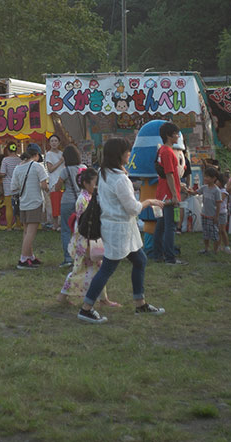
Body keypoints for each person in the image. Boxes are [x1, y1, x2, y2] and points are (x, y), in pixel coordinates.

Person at [77, 138, 166, 324]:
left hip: (117, 226)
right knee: (108, 267)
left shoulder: (105, 173)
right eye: (127, 151)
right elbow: (133, 208)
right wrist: (149, 201)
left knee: (140, 260)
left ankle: (140, 303)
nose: (129, 154)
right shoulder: (119, 178)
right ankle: (86, 308)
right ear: (119, 154)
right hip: (119, 228)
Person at [58, 167, 117, 307]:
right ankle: (64, 296)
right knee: (83, 270)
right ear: (86, 183)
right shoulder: (84, 200)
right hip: (86, 240)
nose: (97, 186)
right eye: (95, 183)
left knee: (91, 269)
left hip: (87, 240)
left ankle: (101, 298)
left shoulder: (87, 197)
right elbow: (86, 223)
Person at [151, 122, 186, 265]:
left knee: (161, 226)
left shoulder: (162, 151)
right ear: (168, 135)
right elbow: (169, 174)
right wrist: (175, 195)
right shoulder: (167, 151)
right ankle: (170, 258)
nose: (178, 135)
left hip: (162, 193)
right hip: (168, 195)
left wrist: (180, 186)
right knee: (170, 227)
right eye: (176, 133)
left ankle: (158, 254)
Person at [14, 144, 49, 269]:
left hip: (23, 202)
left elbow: (14, 187)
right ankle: (23, 259)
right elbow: (44, 185)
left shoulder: (18, 168)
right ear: (36, 155)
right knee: (31, 232)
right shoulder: (37, 167)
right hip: (35, 202)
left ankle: (30, 256)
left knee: (26, 231)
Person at [56, 145, 85, 266]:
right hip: (82, 201)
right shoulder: (83, 168)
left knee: (66, 230)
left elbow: (57, 187)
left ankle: (68, 258)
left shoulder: (65, 171)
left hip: (67, 201)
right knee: (82, 230)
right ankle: (83, 256)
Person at [198, 166, 223, 254]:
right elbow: (196, 192)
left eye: (207, 177)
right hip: (204, 214)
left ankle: (215, 250)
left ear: (214, 178)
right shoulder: (204, 188)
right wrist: (187, 190)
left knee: (214, 234)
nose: (205, 178)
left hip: (212, 216)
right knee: (205, 233)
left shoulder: (217, 191)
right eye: (205, 176)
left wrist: (216, 216)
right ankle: (206, 248)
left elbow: (218, 204)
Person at [0, 142, 22, 230]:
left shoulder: (5, 160)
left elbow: (3, 173)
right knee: (17, 207)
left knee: (9, 207)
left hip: (8, 187)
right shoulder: (20, 160)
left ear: (8, 150)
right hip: (18, 187)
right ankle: (18, 225)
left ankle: (9, 226)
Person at [43, 134, 64, 229]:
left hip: (62, 180)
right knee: (55, 203)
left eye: (56, 141)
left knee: (61, 203)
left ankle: (61, 223)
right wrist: (60, 161)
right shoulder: (49, 154)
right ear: (49, 143)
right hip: (54, 182)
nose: (54, 143)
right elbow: (50, 169)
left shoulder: (61, 153)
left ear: (59, 142)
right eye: (52, 141)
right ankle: (55, 225)